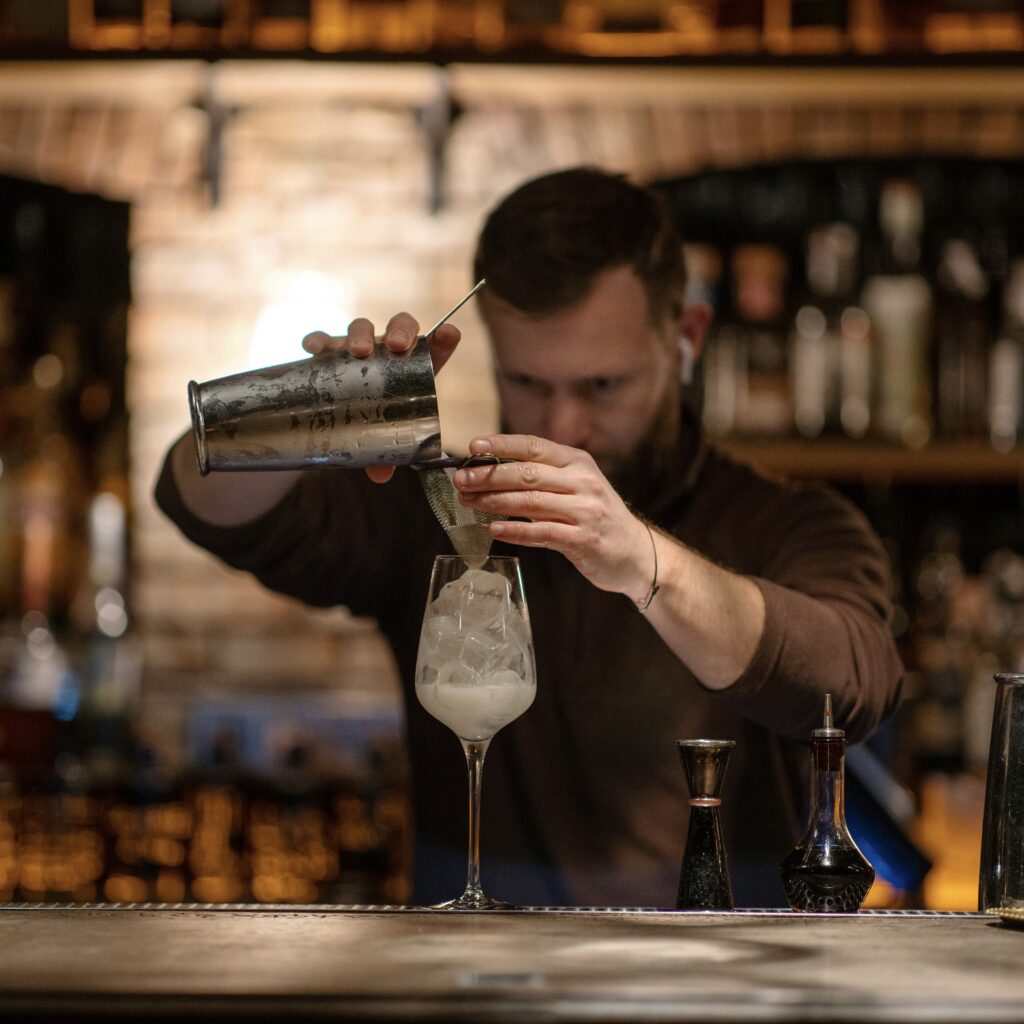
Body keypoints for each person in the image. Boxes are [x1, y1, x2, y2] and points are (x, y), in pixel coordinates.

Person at [156, 166, 904, 907]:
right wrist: (313, 405)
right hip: (470, 985)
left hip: (713, 989)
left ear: (686, 338)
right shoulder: (439, 507)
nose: (564, 425)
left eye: (602, 386)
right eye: (528, 383)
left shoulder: (788, 523)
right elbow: (197, 498)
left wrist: (643, 559)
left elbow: (852, 686)